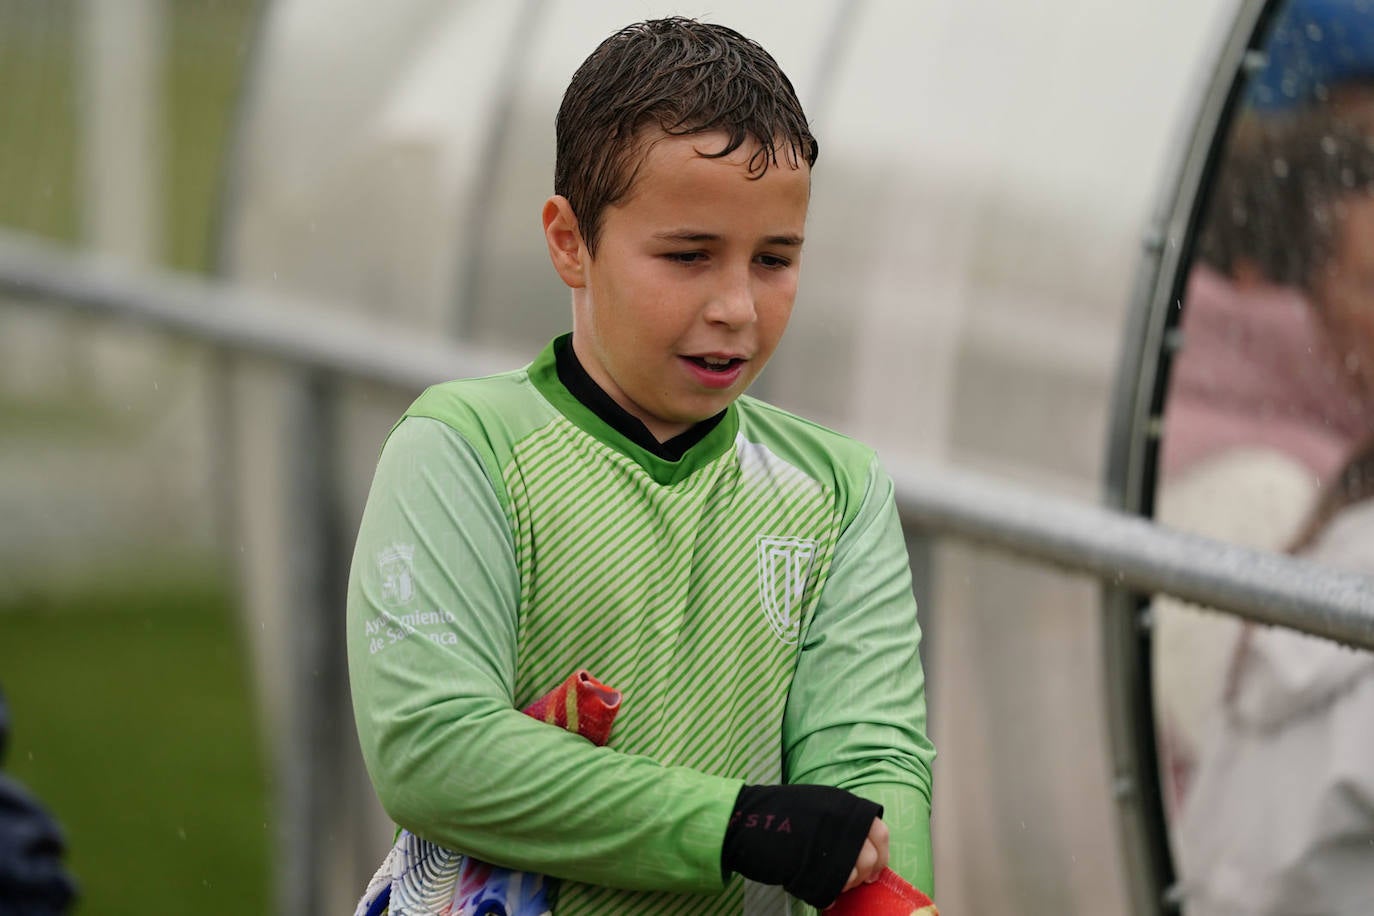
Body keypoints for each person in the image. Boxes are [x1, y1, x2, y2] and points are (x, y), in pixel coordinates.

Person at [345, 17, 935, 916]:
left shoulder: (841, 490)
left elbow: (869, 769)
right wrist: (734, 825)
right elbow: (432, 752)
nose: (737, 305)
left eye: (774, 260)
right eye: (689, 255)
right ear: (570, 240)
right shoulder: (462, 449)